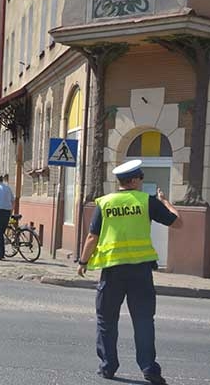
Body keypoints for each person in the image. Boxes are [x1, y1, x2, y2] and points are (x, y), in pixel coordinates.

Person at [77, 160, 181, 385]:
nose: (142, 182)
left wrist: (82, 261)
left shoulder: (105, 203)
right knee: (143, 321)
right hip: (141, 273)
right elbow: (177, 223)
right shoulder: (147, 202)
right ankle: (149, 369)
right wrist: (166, 202)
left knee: (106, 320)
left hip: (112, 272)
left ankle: (108, 367)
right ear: (134, 180)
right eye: (141, 178)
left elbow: (92, 236)